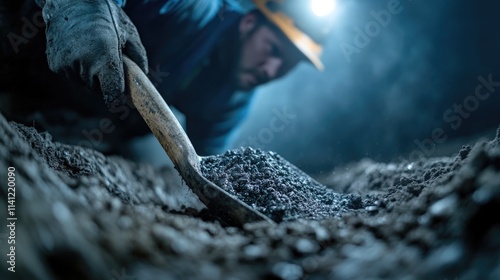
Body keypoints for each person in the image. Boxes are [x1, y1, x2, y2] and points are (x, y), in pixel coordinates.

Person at [0, 0, 334, 157]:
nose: (271, 70)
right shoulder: (193, 8)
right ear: (249, 24)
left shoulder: (233, 95)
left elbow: (209, 168)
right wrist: (88, 8)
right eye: (273, 49)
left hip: (63, 113)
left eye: (287, 66)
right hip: (22, 49)